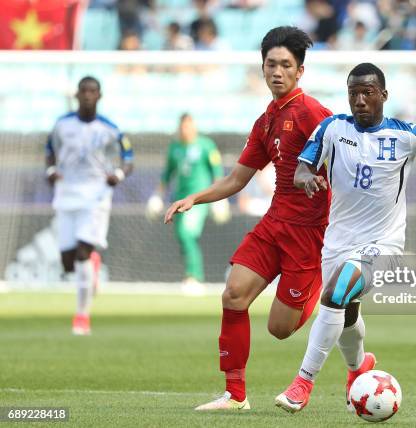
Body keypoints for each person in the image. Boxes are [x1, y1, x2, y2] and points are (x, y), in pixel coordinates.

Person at [275, 63, 416, 413]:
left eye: (367, 93)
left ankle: (302, 383)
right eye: (353, 94)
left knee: (334, 294)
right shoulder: (332, 128)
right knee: (346, 311)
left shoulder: (407, 134)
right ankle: (357, 371)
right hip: (337, 243)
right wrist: (305, 179)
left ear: (384, 95)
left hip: (384, 245)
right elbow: (302, 168)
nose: (360, 100)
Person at [164, 26, 333, 410]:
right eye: (270, 64)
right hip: (274, 224)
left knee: (279, 329)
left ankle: (322, 285)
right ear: (262, 69)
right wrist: (194, 197)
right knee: (234, 293)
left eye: (285, 65)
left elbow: (345, 159)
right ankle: (235, 394)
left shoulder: (314, 114)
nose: (277, 71)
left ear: (299, 72)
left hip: (309, 234)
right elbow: (237, 179)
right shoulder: (266, 121)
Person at [45, 76, 134, 336]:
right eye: (83, 91)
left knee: (82, 253)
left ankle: (82, 316)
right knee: (67, 262)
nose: (87, 95)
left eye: (92, 91)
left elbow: (128, 159)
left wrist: (117, 174)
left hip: (96, 195)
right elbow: (49, 150)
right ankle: (92, 263)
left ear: (100, 96)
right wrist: (50, 169)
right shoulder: (61, 125)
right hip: (66, 193)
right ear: (77, 95)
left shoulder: (110, 128)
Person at [147, 113, 225, 286]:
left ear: (194, 126)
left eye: (188, 126)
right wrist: (157, 196)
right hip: (179, 199)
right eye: (183, 126)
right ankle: (190, 275)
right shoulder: (175, 147)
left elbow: (217, 172)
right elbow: (167, 174)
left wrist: (220, 199)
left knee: (187, 233)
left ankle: (194, 277)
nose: (185, 130)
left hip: (198, 199)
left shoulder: (206, 145)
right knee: (183, 238)